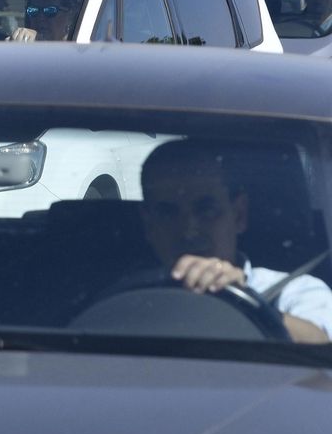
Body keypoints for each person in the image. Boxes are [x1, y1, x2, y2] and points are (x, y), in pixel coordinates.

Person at [138, 140, 332, 344]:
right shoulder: (123, 299)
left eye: (207, 210)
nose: (189, 231)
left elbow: (322, 344)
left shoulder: (292, 290)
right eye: (167, 213)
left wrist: (242, 301)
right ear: (148, 224)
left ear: (239, 215)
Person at [8, 0, 81, 42]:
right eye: (33, 11)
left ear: (70, 17)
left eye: (50, 11)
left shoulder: (83, 50)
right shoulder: (22, 48)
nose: (40, 18)